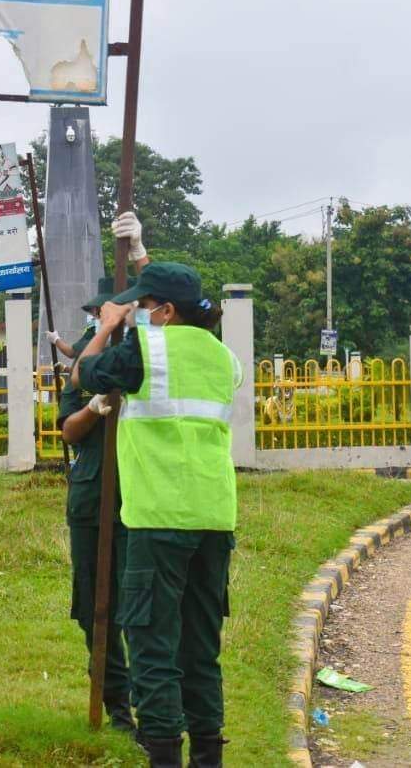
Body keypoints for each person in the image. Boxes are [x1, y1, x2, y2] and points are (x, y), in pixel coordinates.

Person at [74, 257, 241, 768]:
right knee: (199, 647)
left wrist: (106, 328)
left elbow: (83, 373)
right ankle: (208, 757)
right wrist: (144, 262)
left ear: (166, 311)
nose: (135, 314)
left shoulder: (145, 349)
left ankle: (165, 756)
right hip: (213, 517)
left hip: (158, 519)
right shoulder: (222, 355)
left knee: (151, 648)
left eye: (143, 306)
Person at [58, 281, 135, 733]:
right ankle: (118, 708)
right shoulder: (88, 351)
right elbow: (69, 430)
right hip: (93, 496)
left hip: (143, 496)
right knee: (95, 606)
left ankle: (154, 708)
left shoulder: (150, 353)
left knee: (138, 607)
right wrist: (94, 406)